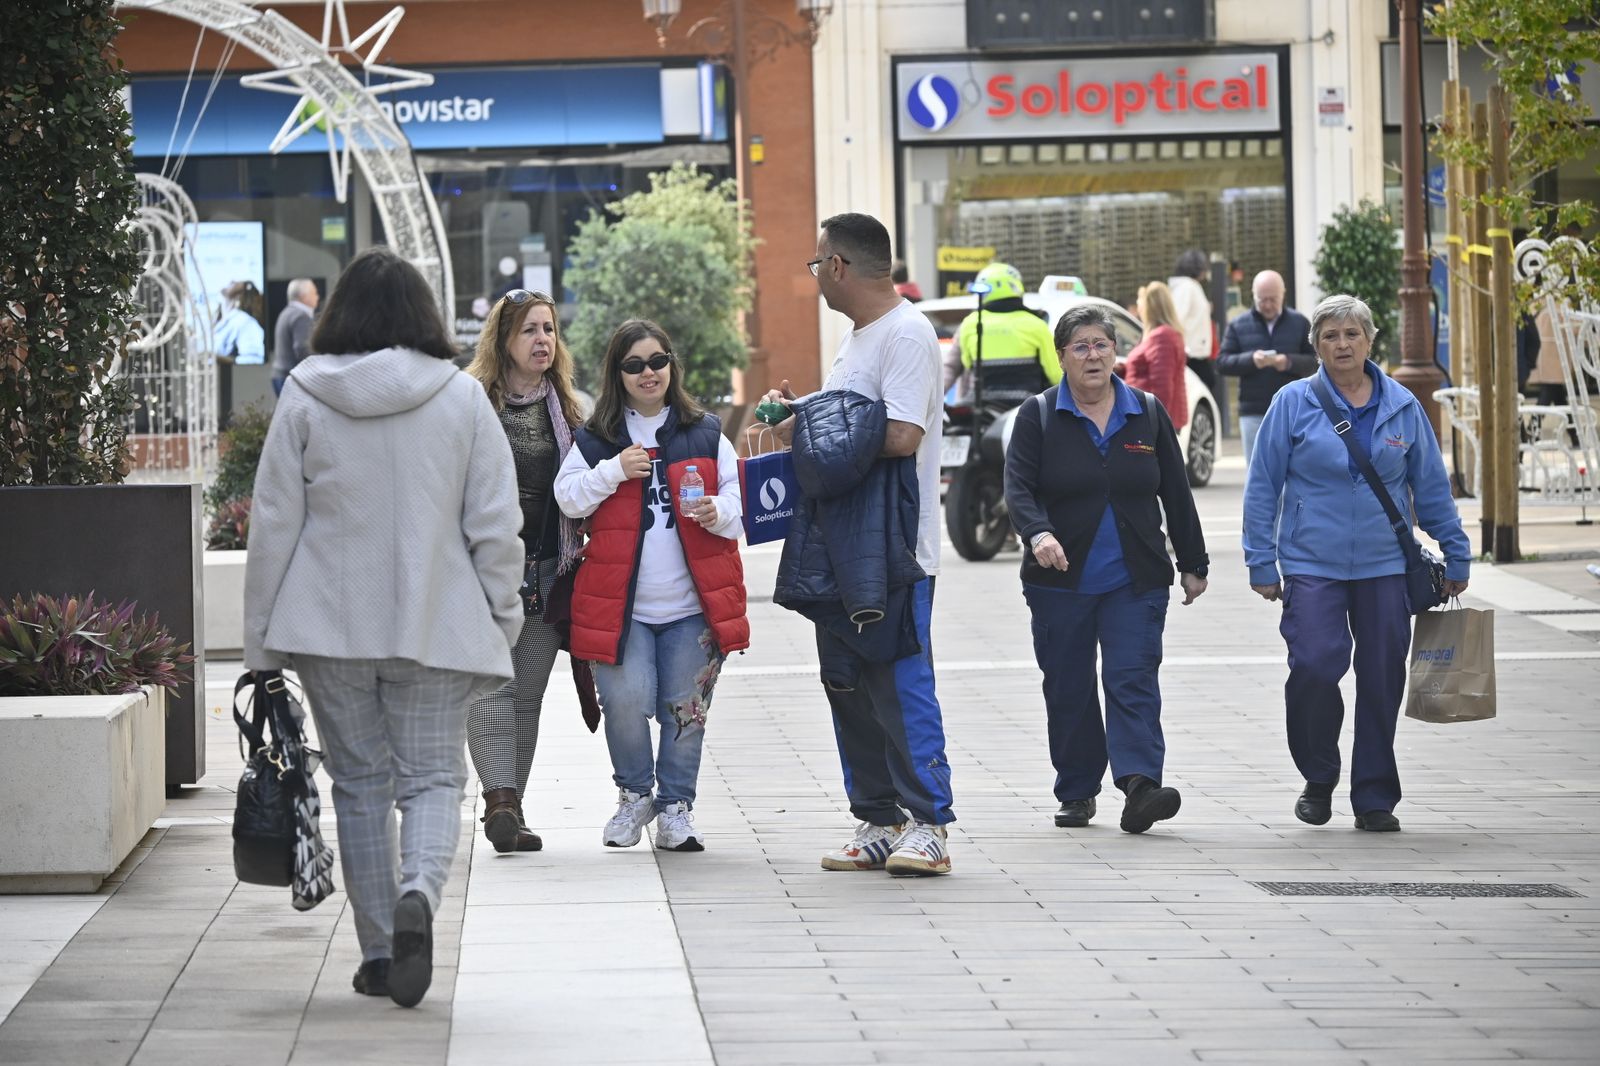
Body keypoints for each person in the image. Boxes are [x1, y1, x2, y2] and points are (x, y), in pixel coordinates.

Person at [244, 247, 523, 1007]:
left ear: (339, 314)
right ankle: (419, 898)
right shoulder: (462, 400)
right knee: (434, 779)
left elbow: (273, 525)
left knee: (359, 786)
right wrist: (502, 617)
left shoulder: (304, 394)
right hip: (438, 622)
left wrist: (262, 645)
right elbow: (496, 526)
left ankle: (377, 955)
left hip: (328, 628)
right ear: (424, 314)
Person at [762, 211, 955, 876]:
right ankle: (878, 818)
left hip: (895, 551)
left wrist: (818, 423)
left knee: (900, 686)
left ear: (839, 266)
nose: (815, 276)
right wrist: (801, 420)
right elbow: (846, 429)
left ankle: (928, 825)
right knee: (848, 685)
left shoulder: (905, 333)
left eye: (818, 264)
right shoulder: (857, 342)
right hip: (842, 552)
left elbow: (901, 435)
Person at [1242, 294, 1471, 833]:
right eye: (1329, 336)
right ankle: (1319, 774)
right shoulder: (1291, 403)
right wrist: (1260, 560)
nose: (1341, 344)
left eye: (1351, 334)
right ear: (1316, 345)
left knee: (1381, 679)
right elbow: (1262, 487)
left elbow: (1432, 490)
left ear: (1370, 341)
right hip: (1311, 562)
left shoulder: (1402, 406)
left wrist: (1456, 552)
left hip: (1386, 565)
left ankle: (1373, 795)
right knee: (1316, 666)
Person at [1003, 304, 1209, 835]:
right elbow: (1018, 489)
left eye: (1101, 345)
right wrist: (1038, 533)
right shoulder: (1039, 415)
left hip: (1135, 578)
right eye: (1081, 347)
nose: (1093, 356)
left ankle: (1140, 786)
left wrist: (1193, 562)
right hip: (1058, 582)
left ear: (1115, 352)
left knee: (1132, 678)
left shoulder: (1146, 411)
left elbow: (1176, 492)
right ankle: (1076, 790)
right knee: (1068, 686)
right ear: (1062, 357)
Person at [554, 319, 748, 854]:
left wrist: (720, 510)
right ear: (618, 373)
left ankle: (676, 809)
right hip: (622, 609)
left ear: (671, 365)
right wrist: (614, 469)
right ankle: (634, 795)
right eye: (634, 364)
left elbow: (740, 501)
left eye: (657, 361)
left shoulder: (704, 431)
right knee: (623, 700)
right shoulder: (598, 439)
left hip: (692, 607)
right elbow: (568, 498)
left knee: (686, 710)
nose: (648, 373)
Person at [462, 288, 586, 854]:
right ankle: (500, 801)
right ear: (504, 340)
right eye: (530, 330)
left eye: (549, 330)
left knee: (527, 695)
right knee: (489, 687)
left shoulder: (569, 406)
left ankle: (511, 803)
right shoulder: (469, 405)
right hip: (482, 573)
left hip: (545, 572)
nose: (543, 340)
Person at [1216, 270, 1315, 463]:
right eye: (1262, 300)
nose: (1268, 305)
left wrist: (1288, 362)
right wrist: (1251, 360)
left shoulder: (1300, 322)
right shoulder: (1238, 324)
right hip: (1253, 411)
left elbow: (1315, 361)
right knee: (1257, 470)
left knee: (1294, 470)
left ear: (1283, 295)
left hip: (1293, 411)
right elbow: (1222, 363)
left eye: (1273, 299)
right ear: (1253, 296)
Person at [954, 262, 1060, 404]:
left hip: (980, 410)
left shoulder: (970, 323)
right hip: (1025, 408)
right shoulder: (1036, 324)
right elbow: (1056, 374)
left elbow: (967, 363)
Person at [1122, 281, 1188, 433]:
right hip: (1149, 415)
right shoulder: (1161, 334)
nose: (1138, 309)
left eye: (1140, 303)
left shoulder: (1162, 336)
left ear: (1149, 306)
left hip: (1151, 419)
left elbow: (1162, 385)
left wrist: (1155, 421)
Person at [1167, 249, 1214, 371]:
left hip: (1193, 351)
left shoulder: (1187, 286)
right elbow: (1177, 318)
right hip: (1191, 353)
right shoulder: (1187, 287)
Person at [272, 278, 318, 396]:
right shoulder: (301, 316)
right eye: (314, 293)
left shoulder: (286, 312)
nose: (317, 297)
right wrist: (319, 367)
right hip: (292, 378)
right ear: (304, 296)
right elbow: (302, 348)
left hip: (280, 375)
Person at [213, 280, 266, 364]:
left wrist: (217, 358)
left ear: (239, 296)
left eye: (234, 283)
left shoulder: (246, 322)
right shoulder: (219, 321)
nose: (231, 280)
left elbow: (255, 359)